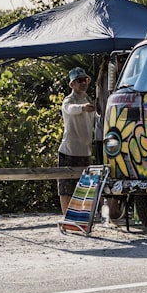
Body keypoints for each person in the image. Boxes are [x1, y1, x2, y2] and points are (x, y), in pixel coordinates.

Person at [57, 66, 98, 215]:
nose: (83, 83)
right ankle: (66, 216)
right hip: (69, 151)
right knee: (66, 188)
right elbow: (70, 108)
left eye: (85, 79)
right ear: (72, 84)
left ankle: (80, 216)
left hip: (85, 152)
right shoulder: (69, 100)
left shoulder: (89, 100)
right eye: (79, 80)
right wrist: (82, 108)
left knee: (86, 186)